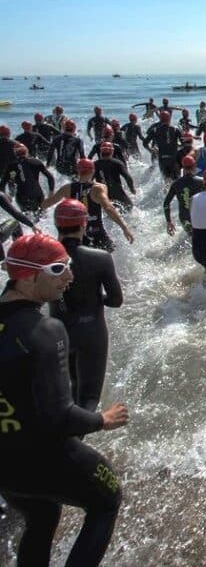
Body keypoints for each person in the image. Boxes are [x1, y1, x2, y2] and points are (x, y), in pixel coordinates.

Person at [0, 233, 128, 567]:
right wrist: (103, 419)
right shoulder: (45, 331)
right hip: (43, 456)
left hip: (5, 466)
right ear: (28, 276)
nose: (69, 277)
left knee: (41, 514)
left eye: (68, 266)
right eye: (58, 269)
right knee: (108, 499)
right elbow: (60, 416)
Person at [49, 199, 123, 413]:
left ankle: (66, 440)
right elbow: (116, 301)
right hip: (92, 331)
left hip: (58, 331)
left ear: (56, 224)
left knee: (67, 394)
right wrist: (95, 298)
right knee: (89, 397)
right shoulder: (100, 258)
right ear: (83, 224)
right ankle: (74, 443)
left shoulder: (46, 258)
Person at [43, 159, 134, 252]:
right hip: (96, 233)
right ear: (93, 171)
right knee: (108, 258)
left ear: (78, 171)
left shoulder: (67, 188)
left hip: (77, 235)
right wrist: (124, 227)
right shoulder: (98, 188)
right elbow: (108, 208)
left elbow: (48, 203)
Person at [0, 143, 55, 216]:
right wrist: (51, 193)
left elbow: (2, 185)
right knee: (42, 217)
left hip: (21, 198)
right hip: (37, 195)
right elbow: (50, 177)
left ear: (15, 154)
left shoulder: (11, 166)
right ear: (27, 152)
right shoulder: (36, 162)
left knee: (27, 219)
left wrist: (7, 198)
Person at [164, 155, 204, 235]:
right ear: (194, 166)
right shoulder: (201, 181)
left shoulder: (176, 184)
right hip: (199, 215)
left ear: (183, 167)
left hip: (184, 218)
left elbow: (166, 203)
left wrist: (169, 221)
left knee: (192, 239)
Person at [94, 142, 136, 210]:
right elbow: (128, 177)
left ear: (101, 151)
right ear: (112, 151)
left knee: (108, 211)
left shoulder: (95, 164)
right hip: (117, 191)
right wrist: (132, 188)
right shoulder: (117, 163)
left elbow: (89, 181)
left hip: (103, 193)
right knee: (129, 207)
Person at [143, 111, 183, 180]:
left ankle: (166, 191)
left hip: (162, 159)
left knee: (166, 181)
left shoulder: (155, 130)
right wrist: (176, 145)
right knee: (176, 180)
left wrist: (151, 150)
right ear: (169, 119)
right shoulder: (175, 130)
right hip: (173, 159)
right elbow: (184, 143)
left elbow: (145, 143)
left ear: (160, 119)